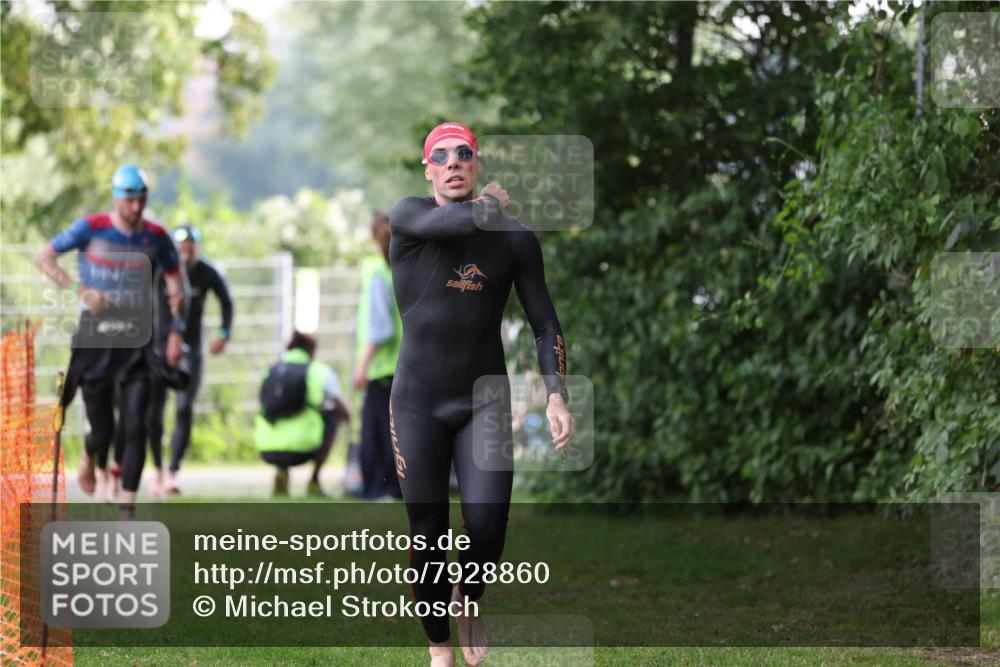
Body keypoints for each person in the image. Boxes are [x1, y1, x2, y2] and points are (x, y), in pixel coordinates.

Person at [388, 122, 575, 667]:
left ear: (477, 164)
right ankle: (439, 648)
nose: (452, 162)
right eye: (440, 155)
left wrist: (556, 394)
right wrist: (486, 209)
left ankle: (468, 598)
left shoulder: (513, 238)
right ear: (428, 169)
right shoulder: (409, 218)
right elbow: (451, 224)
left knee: (489, 525)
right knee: (428, 535)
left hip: (484, 404)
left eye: (463, 153)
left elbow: (546, 324)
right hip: (416, 402)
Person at [33, 164, 186, 519]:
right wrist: (79, 289)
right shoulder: (92, 228)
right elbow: (44, 257)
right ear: (117, 198)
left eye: (141, 199)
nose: (136, 207)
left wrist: (175, 330)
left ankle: (127, 509)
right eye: (130, 200)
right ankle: (90, 453)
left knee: (136, 422)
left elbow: (176, 286)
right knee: (103, 429)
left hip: (138, 340)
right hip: (95, 337)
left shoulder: (157, 237)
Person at [108, 223, 233, 498]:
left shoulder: (207, 273)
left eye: (190, 248)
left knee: (184, 409)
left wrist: (224, 333)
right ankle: (158, 470)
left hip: (191, 351)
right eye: (181, 249)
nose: (185, 254)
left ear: (195, 249)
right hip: (159, 350)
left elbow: (227, 300)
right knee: (153, 414)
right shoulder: (160, 270)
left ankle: (173, 470)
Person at [254, 331, 351, 497]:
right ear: (312, 351)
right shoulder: (319, 371)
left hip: (266, 449)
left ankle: (281, 474)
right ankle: (314, 480)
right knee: (333, 417)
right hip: (305, 449)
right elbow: (346, 412)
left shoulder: (270, 371)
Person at [352, 213, 404, 500]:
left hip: (381, 367)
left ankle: (378, 488)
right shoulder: (399, 269)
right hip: (402, 364)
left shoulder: (376, 271)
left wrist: (361, 366)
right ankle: (396, 487)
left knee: (376, 434)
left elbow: (378, 327)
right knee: (397, 432)